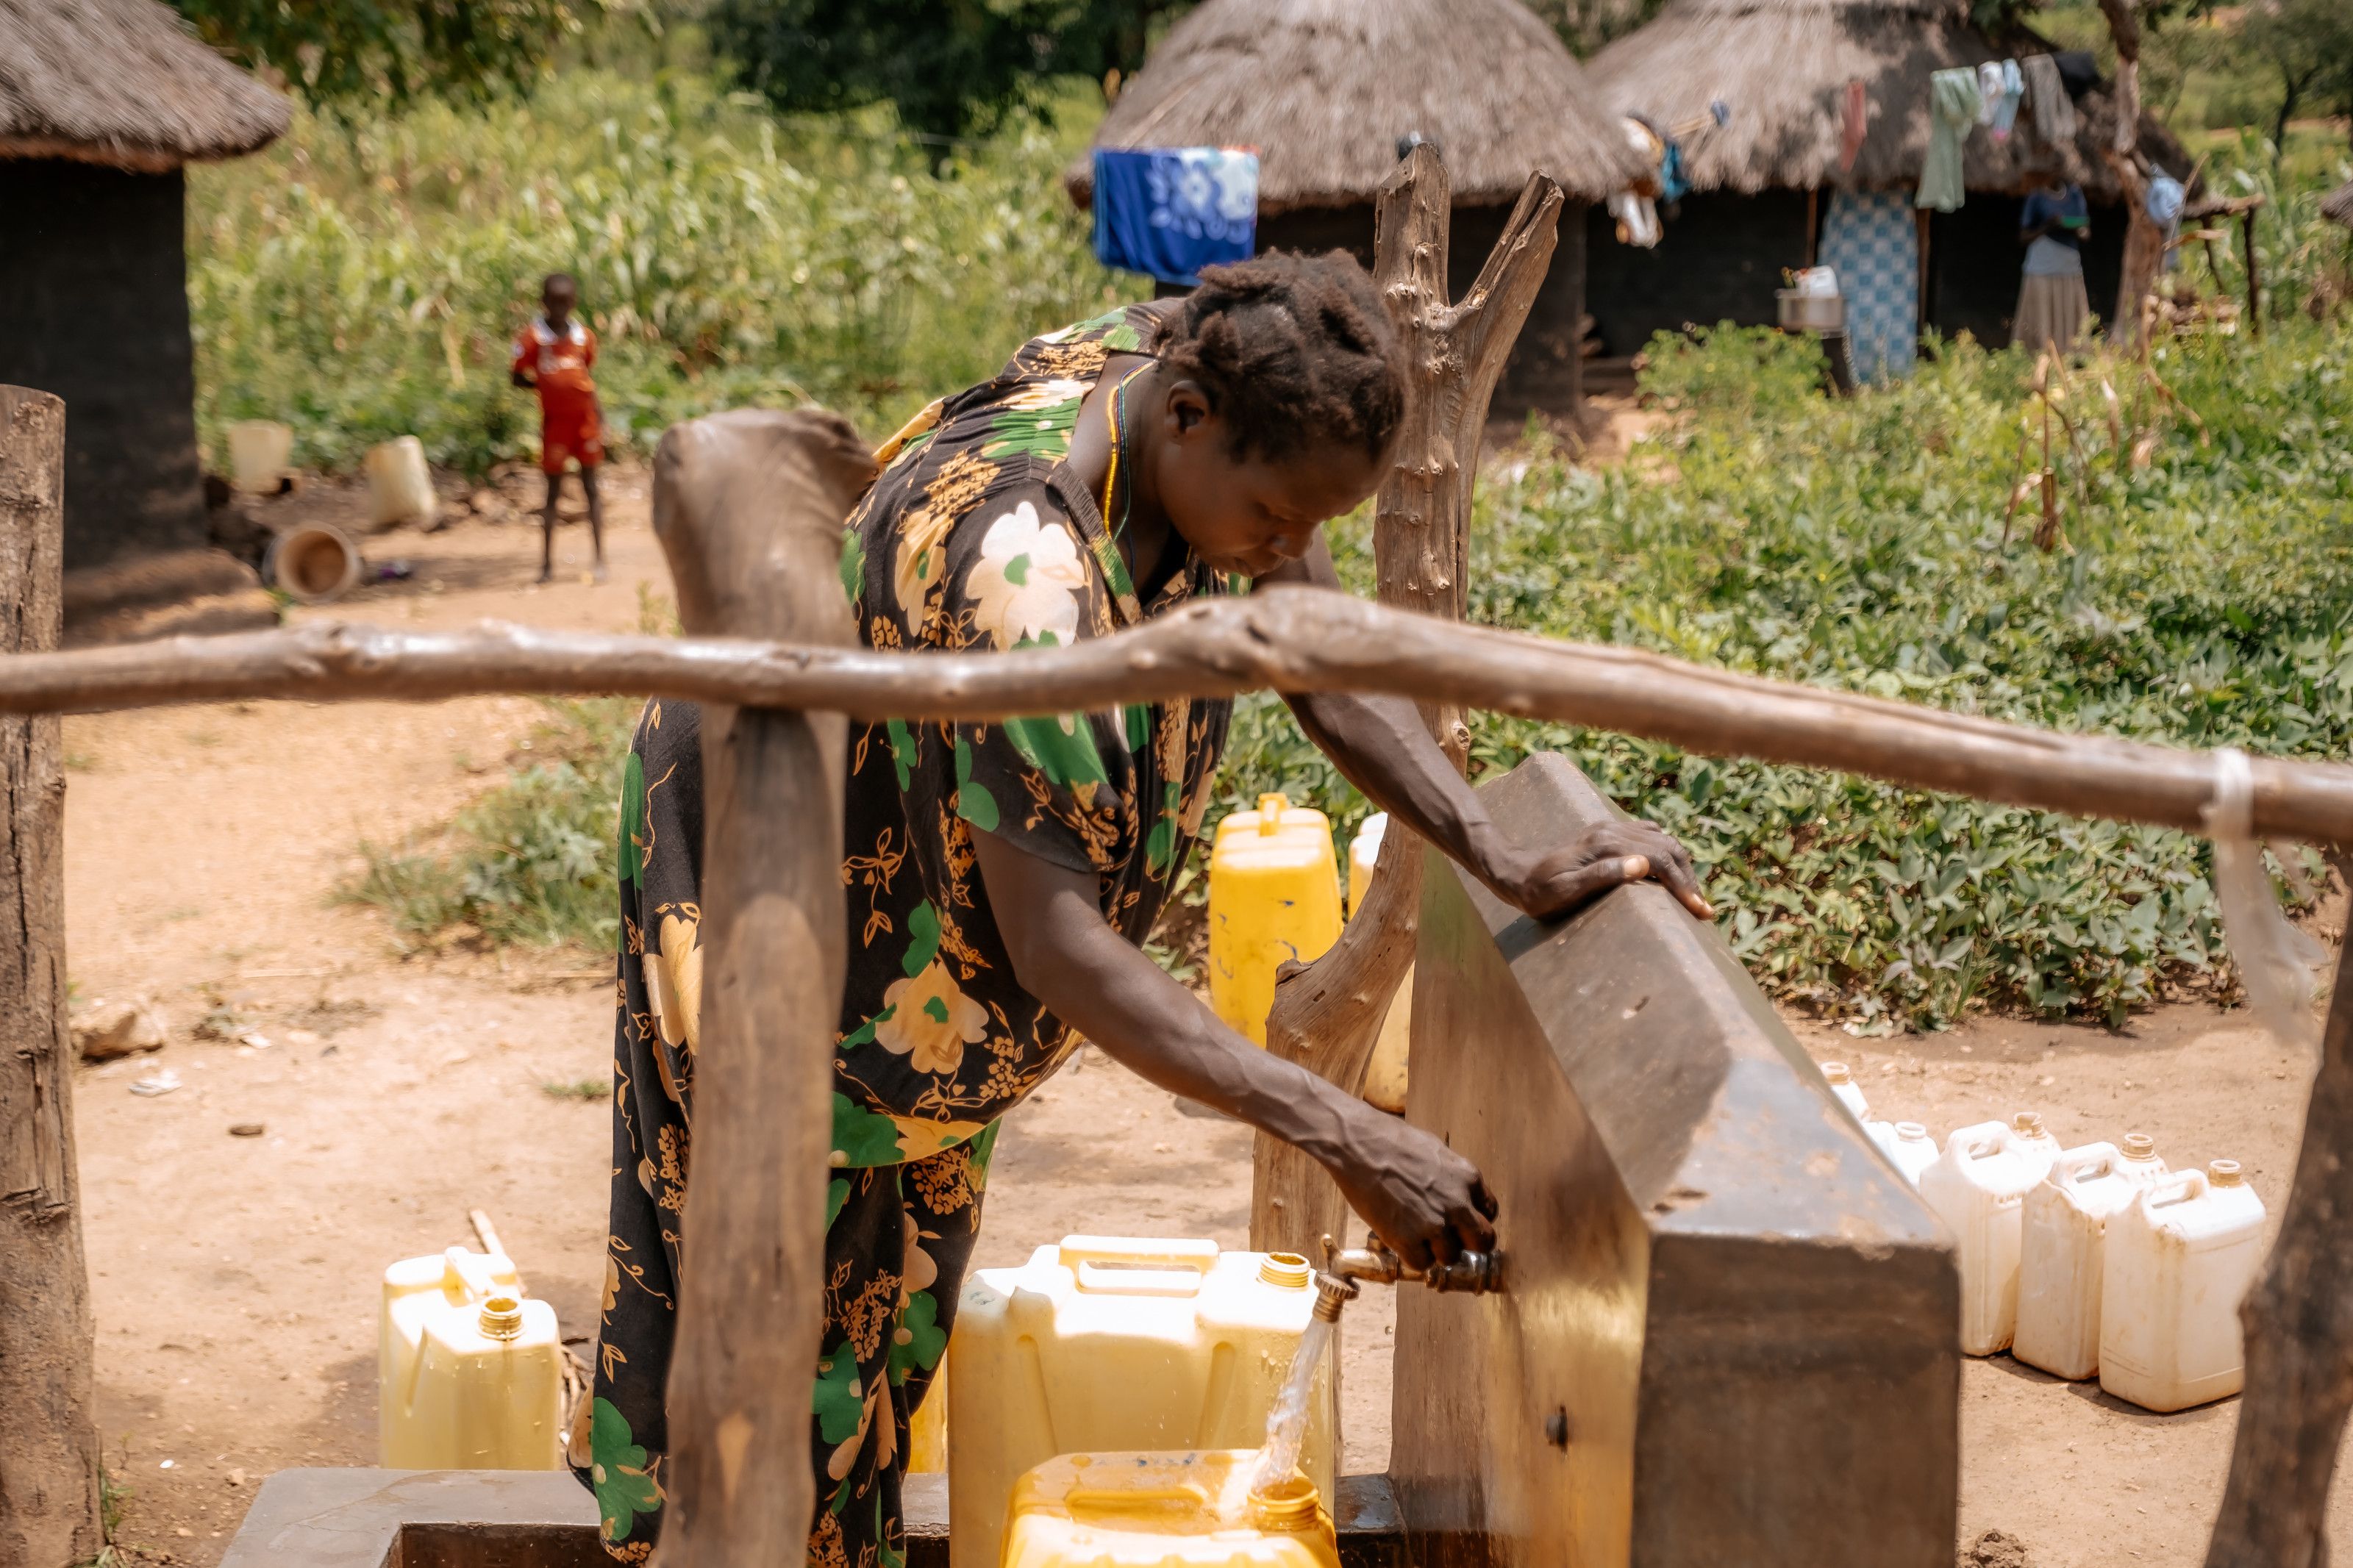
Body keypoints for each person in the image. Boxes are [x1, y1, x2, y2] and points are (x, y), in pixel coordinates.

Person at [579, 251, 1713, 1567]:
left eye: (1310, 523)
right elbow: (1059, 946)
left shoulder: (1225, 368)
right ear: (1186, 419)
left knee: (887, 1318)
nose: (1289, 548)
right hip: (776, 896)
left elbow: (1316, 646)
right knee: (763, 1333)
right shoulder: (1031, 583)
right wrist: (1345, 1129)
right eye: (1278, 517)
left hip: (919, 928)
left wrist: (1496, 850)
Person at [510, 272, 607, 583]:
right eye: (554, 302)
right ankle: (547, 565)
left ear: (573, 302)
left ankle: (600, 560)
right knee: (552, 493)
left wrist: (598, 414)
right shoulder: (533, 339)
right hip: (555, 426)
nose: (560, 308)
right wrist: (543, 385)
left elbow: (586, 378)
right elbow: (516, 376)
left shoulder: (583, 338)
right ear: (544, 303)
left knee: (591, 488)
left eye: (565, 303)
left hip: (586, 423)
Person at [2015, 178, 2092, 355]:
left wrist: (2072, 227)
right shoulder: (2036, 197)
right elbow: (2023, 236)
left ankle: (2069, 356)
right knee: (2042, 316)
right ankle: (2041, 356)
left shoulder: (2074, 194)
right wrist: (2047, 226)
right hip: (2041, 268)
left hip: (2069, 267)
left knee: (2069, 316)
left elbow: (2085, 232)